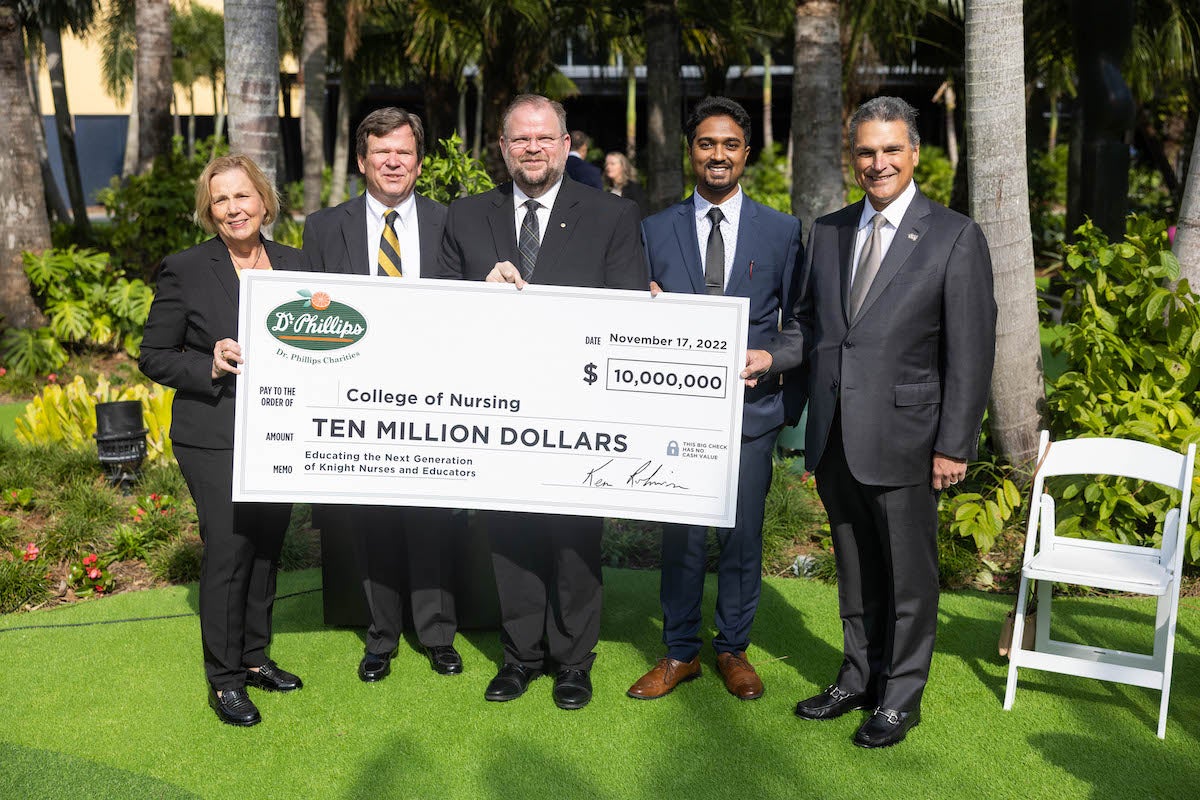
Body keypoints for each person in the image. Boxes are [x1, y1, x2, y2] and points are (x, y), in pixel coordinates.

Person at [790, 96, 996, 748]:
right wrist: (766, 356)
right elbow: (810, 328)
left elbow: (971, 349)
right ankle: (857, 677)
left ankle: (899, 699)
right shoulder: (827, 231)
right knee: (852, 569)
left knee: (910, 578)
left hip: (909, 441)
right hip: (835, 437)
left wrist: (953, 443)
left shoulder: (954, 236)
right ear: (854, 158)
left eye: (890, 150)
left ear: (914, 154)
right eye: (866, 152)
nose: (878, 163)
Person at [436, 94, 645, 710]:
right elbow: (439, 309)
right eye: (520, 139)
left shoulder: (612, 215)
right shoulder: (467, 216)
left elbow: (629, 309)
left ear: (565, 145)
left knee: (575, 542)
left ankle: (574, 662)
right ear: (502, 149)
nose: (533, 149)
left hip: (577, 413)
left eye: (545, 138)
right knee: (510, 539)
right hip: (496, 414)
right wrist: (480, 293)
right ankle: (521, 657)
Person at [628, 97, 804, 703]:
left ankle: (732, 648)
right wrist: (639, 304)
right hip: (675, 417)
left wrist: (772, 357)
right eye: (706, 144)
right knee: (679, 538)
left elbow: (802, 324)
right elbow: (629, 321)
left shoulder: (782, 231)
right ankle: (679, 652)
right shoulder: (653, 230)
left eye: (729, 144)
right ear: (691, 151)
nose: (718, 155)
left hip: (749, 415)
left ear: (746, 153)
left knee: (742, 537)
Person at [139, 154, 307, 727]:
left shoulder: (296, 264)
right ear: (209, 211)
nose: (234, 209)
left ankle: (255, 658)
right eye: (220, 200)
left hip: (280, 434)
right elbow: (154, 355)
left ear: (264, 201)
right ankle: (225, 680)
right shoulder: (185, 268)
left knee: (264, 549)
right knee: (230, 553)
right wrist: (207, 365)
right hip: (213, 433)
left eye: (243, 196)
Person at [303, 107, 464, 682]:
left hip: (434, 396)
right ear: (362, 161)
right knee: (371, 522)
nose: (393, 162)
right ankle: (381, 637)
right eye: (381, 152)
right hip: (357, 400)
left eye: (404, 152)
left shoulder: (452, 223)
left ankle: (438, 634)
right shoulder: (324, 228)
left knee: (432, 520)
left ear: (419, 164)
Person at [603, 151, 650, 218]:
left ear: (622, 166)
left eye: (612, 164)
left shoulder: (634, 188)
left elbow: (642, 213)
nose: (608, 167)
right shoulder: (605, 189)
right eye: (606, 164)